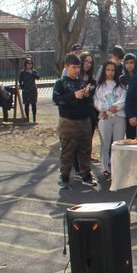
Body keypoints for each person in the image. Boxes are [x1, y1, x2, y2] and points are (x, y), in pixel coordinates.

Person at [53, 53, 97, 189]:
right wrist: (73, 95)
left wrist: (87, 95)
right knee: (67, 150)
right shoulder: (60, 83)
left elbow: (89, 103)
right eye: (74, 67)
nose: (77, 70)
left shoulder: (82, 82)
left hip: (84, 121)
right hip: (68, 122)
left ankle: (85, 174)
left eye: (78, 67)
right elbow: (57, 100)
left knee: (85, 149)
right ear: (66, 67)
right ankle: (64, 176)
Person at [93, 61, 125, 180]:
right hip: (104, 118)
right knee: (105, 145)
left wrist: (110, 111)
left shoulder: (120, 86)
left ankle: (117, 167)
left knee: (118, 144)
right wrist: (107, 108)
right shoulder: (99, 87)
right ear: (104, 71)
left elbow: (123, 100)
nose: (110, 72)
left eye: (113, 70)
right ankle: (105, 168)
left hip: (119, 118)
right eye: (108, 70)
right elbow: (97, 102)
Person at [120, 53, 137, 138]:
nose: (129, 65)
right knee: (130, 137)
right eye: (126, 63)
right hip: (127, 110)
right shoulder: (122, 79)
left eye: (131, 62)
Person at [18, 58, 40, 122]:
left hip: (33, 90)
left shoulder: (34, 71)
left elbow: (38, 77)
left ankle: (34, 118)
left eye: (31, 63)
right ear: (25, 64)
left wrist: (32, 73)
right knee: (26, 104)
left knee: (33, 104)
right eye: (28, 63)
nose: (30, 65)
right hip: (26, 90)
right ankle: (27, 118)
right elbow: (20, 81)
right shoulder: (22, 72)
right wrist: (22, 87)